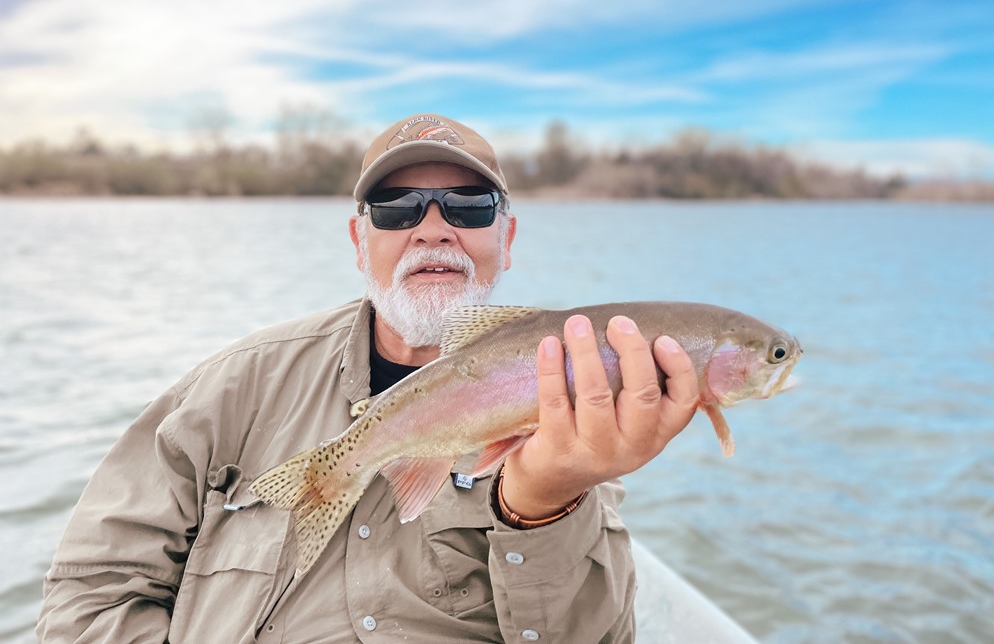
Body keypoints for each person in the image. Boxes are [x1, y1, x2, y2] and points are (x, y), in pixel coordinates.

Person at [37, 113, 700, 643]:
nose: (432, 228)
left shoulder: (574, 406)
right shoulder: (231, 386)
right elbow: (92, 590)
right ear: (359, 239)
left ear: (507, 237)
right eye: (396, 207)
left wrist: (547, 501)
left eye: (468, 206)